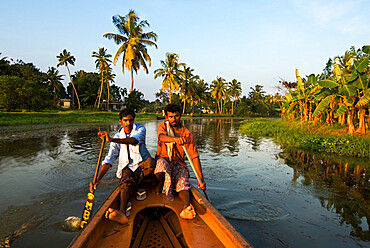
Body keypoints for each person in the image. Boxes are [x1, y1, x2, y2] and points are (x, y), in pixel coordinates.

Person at [90, 108, 155, 224]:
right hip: (127, 167)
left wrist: (111, 139)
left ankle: (134, 183)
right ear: (120, 121)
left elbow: (134, 140)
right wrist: (98, 179)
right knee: (125, 178)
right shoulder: (117, 137)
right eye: (125, 120)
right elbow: (109, 160)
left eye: (131, 120)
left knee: (151, 163)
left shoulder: (140, 129)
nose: (128, 123)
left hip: (141, 165)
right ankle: (122, 212)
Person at [154, 104, 206, 220]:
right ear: (167, 117)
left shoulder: (187, 134)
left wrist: (201, 179)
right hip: (164, 159)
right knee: (161, 166)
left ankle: (186, 208)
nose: (174, 119)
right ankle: (161, 183)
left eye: (176, 116)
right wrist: (176, 140)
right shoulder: (163, 126)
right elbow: (161, 137)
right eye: (171, 117)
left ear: (180, 116)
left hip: (178, 163)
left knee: (183, 181)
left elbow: (194, 157)